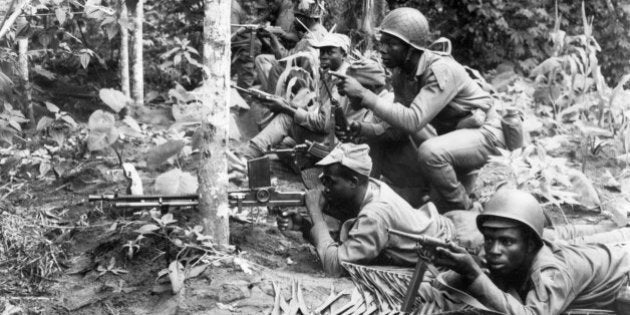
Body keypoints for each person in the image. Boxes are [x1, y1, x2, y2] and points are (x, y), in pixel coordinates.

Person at [335, 7, 504, 212]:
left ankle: (464, 207)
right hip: (449, 136)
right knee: (378, 141)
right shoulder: (401, 74)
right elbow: (398, 128)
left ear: (412, 49)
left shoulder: (440, 70)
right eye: (383, 42)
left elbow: (413, 120)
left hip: (484, 132)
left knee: (431, 153)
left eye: (392, 44)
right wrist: (362, 129)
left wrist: (364, 94)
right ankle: (365, 200)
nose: (383, 49)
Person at [432, 189, 630, 314]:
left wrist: (473, 273)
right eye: (489, 239)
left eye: (506, 241)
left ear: (531, 244)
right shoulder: (513, 254)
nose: (494, 250)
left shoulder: (551, 274)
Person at [296, 142, 456, 276]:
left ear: (353, 182)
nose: (325, 188)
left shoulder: (374, 216)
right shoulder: (370, 187)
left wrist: (316, 213)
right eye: (323, 180)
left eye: (330, 181)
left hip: (442, 253)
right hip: (437, 226)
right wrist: (304, 225)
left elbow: (333, 266)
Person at [239, 32, 351, 162]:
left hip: (336, 144)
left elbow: (323, 124)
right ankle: (298, 163)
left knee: (286, 118)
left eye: (330, 52)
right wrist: (287, 104)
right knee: (284, 142)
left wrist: (286, 109)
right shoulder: (331, 72)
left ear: (343, 54)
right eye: (322, 51)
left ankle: (247, 155)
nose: (324, 56)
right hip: (332, 139)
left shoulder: (342, 81)